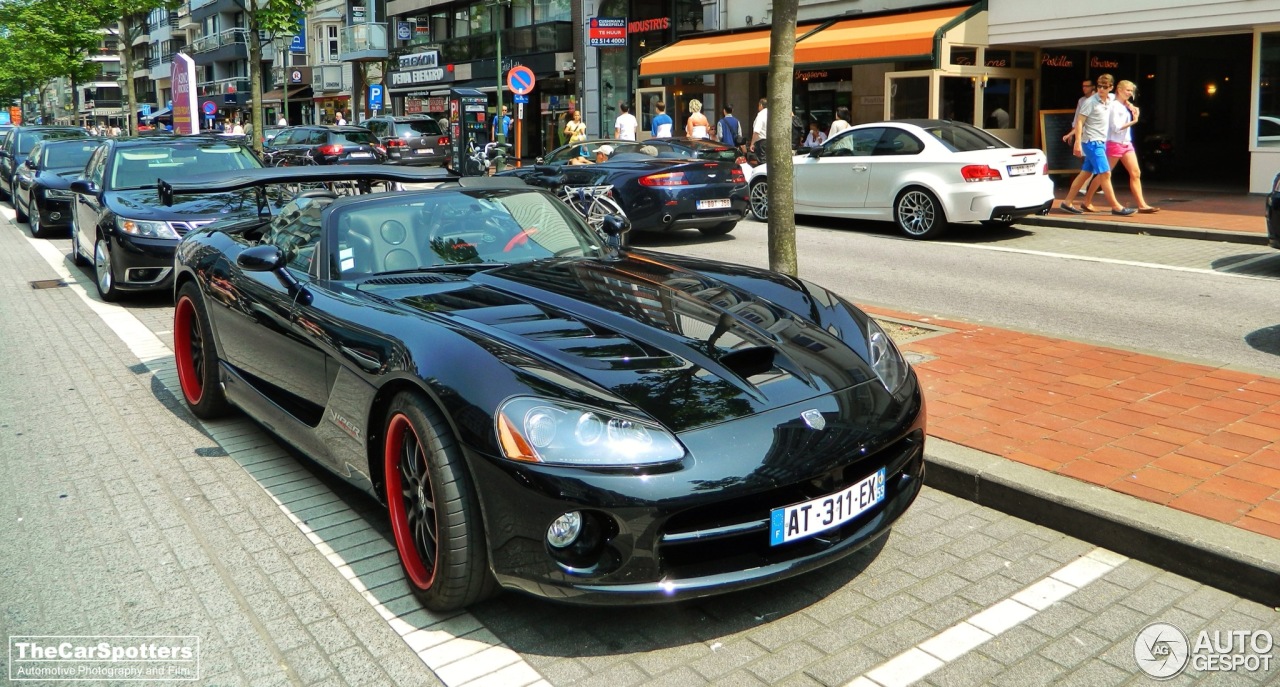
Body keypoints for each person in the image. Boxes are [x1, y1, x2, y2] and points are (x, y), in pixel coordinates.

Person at [1059, 74, 1135, 216]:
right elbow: (1080, 121)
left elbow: (1122, 99)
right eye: (1099, 86)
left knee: (1085, 174)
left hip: (1100, 141)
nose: (1101, 89)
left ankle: (1067, 202)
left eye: (1105, 87)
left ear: (1111, 88)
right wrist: (1077, 142)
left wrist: (1131, 105)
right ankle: (1116, 207)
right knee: (1105, 173)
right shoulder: (1090, 102)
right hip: (1092, 142)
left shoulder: (1110, 98)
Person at [1082, 79, 1159, 213]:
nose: (1130, 93)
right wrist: (1134, 121)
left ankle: (1142, 204)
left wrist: (1130, 105)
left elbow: (1124, 102)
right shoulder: (1113, 104)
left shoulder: (1123, 104)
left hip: (1126, 142)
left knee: (1135, 173)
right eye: (1127, 90)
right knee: (1104, 174)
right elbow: (1116, 127)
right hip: (1114, 142)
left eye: (1131, 91)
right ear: (1119, 89)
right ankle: (1087, 200)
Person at [1062, 78, 1094, 145]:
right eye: (1083, 86)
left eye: (1087, 86)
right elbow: (1077, 118)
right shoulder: (1081, 101)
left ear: (1093, 87)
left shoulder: (1097, 100)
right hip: (1082, 135)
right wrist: (1072, 132)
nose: (1084, 88)